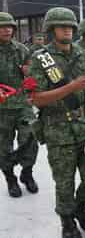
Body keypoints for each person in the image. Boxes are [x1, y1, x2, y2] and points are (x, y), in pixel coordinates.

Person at [29, 7, 85, 238]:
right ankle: (67, 222)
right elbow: (36, 99)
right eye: (61, 25)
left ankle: (81, 208)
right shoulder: (40, 58)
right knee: (64, 183)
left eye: (70, 26)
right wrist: (70, 88)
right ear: (51, 29)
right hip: (57, 131)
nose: (67, 29)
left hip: (84, 126)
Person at [0, 12, 39, 198]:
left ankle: (27, 173)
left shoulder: (22, 50)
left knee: (30, 139)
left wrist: (28, 73)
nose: (6, 29)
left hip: (22, 104)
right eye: (2, 27)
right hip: (1, 108)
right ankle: (10, 179)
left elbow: (32, 74)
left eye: (9, 27)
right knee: (3, 146)